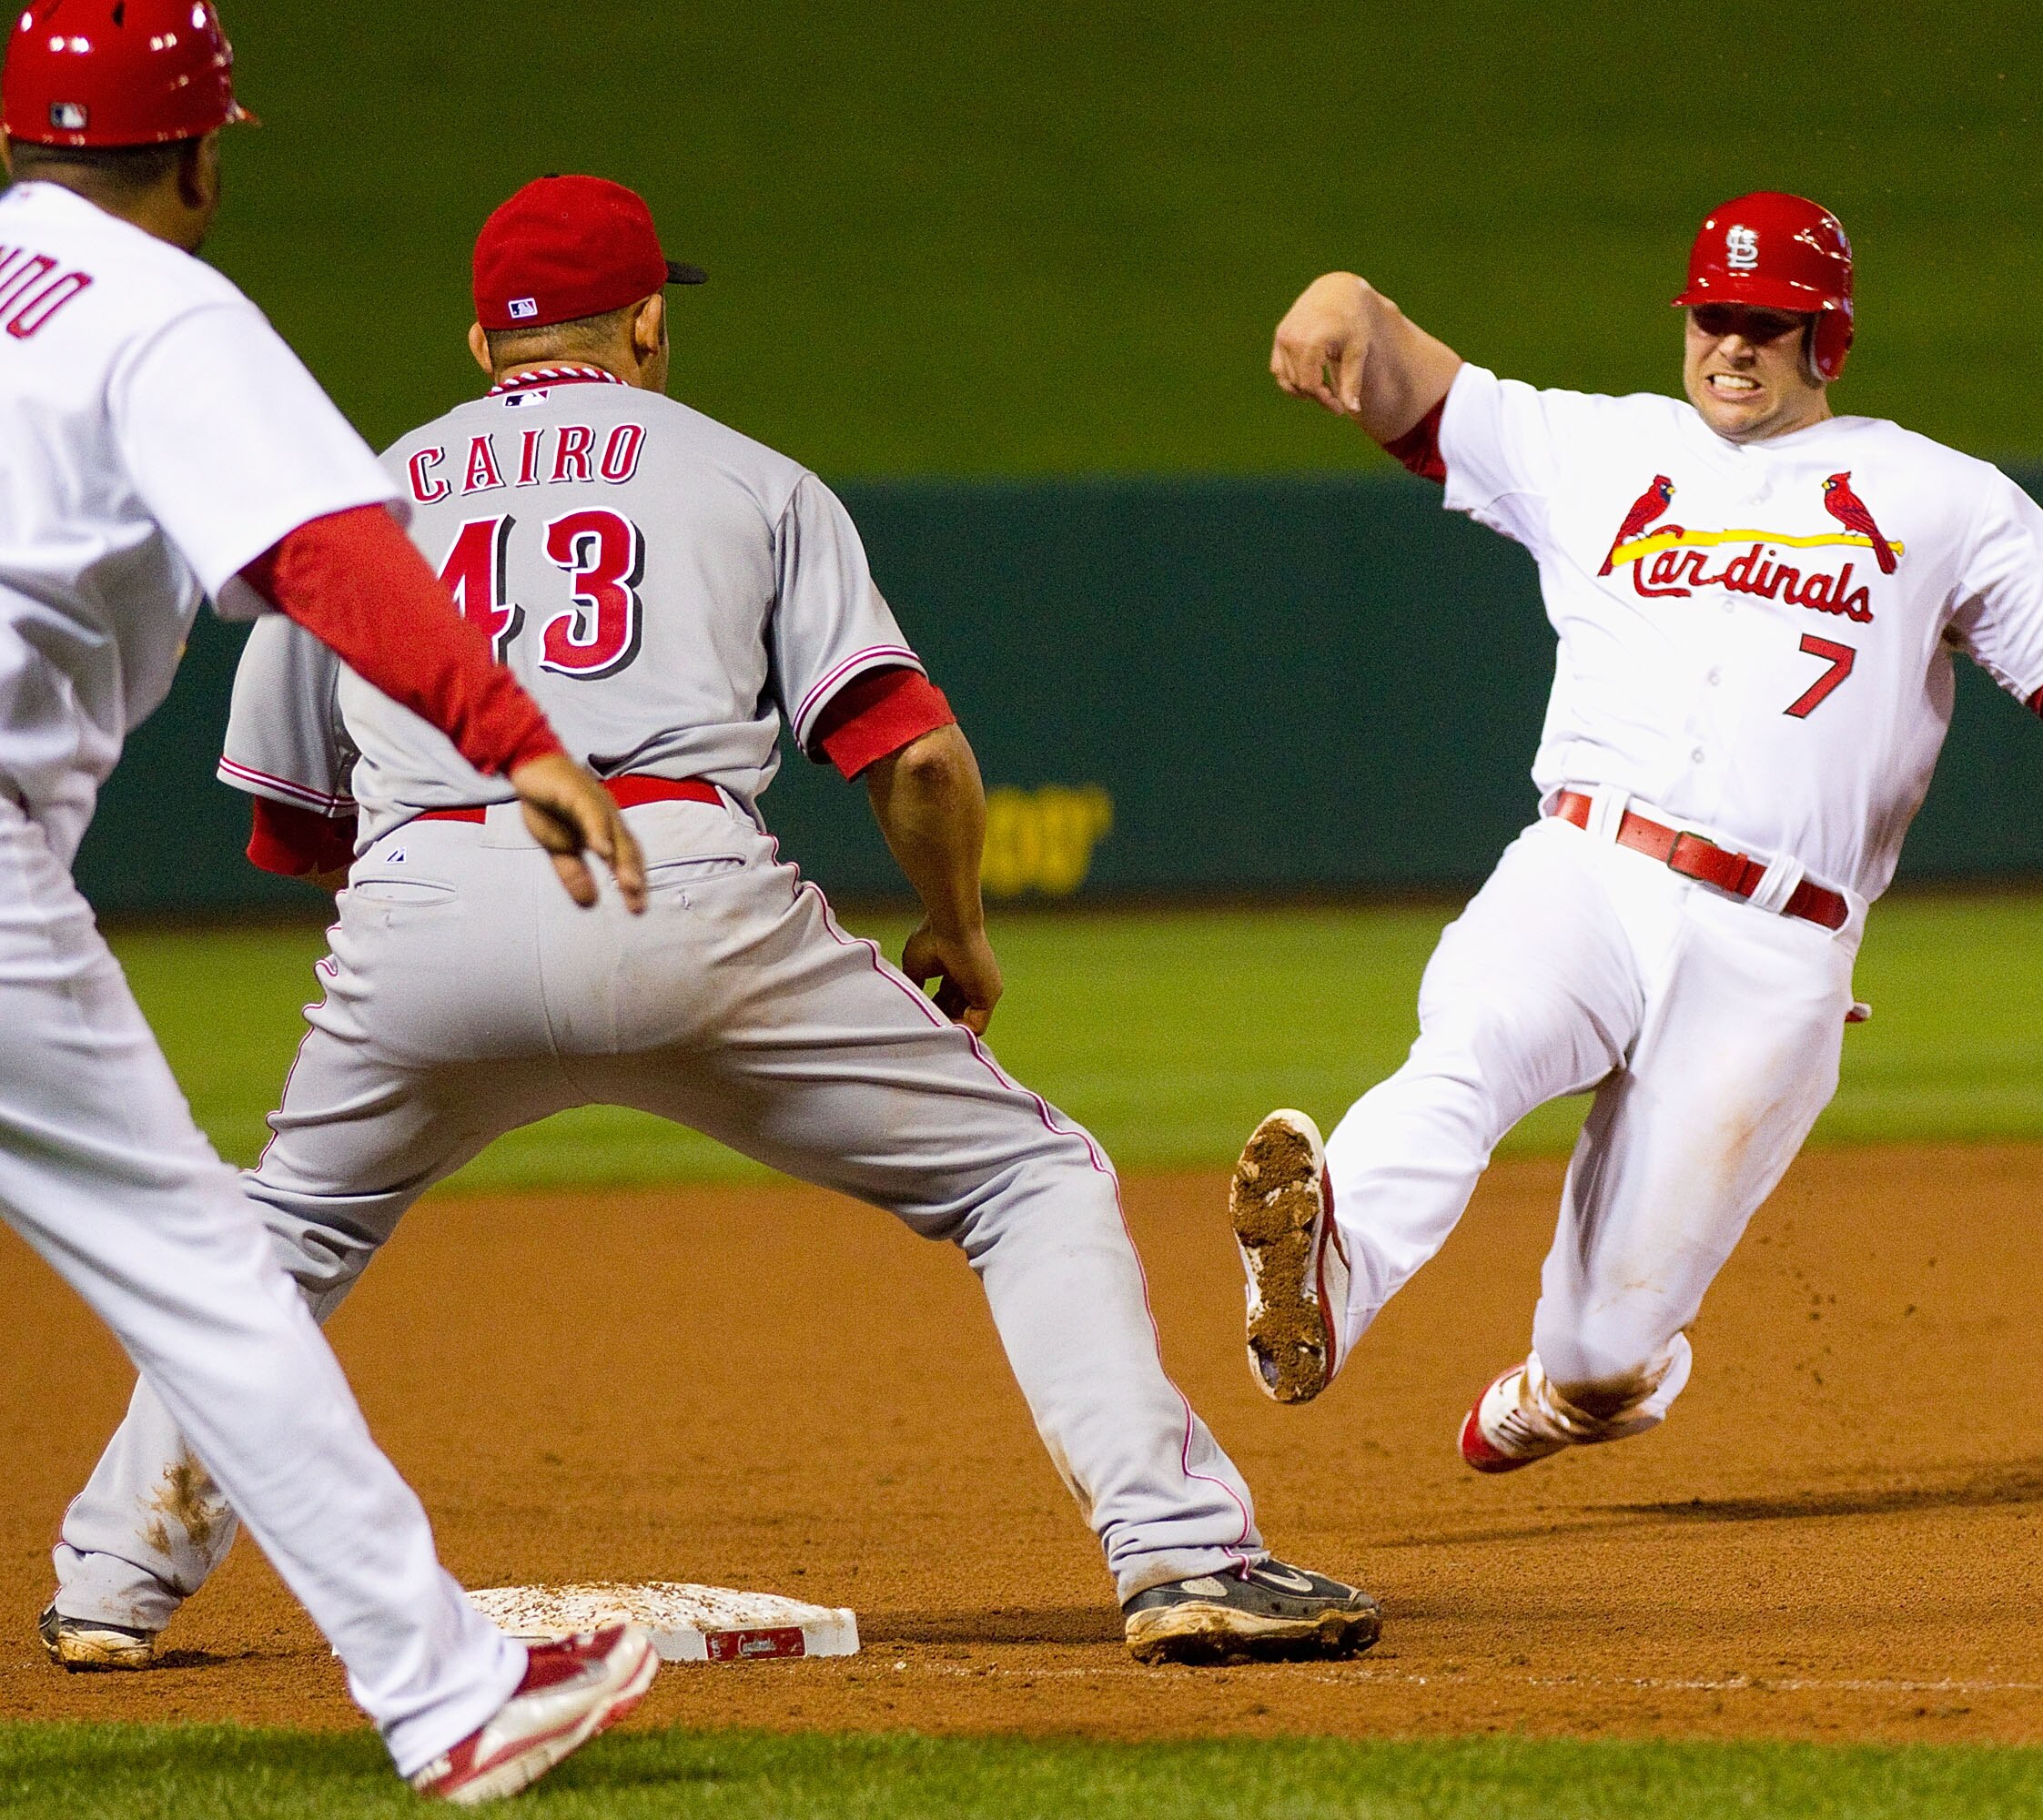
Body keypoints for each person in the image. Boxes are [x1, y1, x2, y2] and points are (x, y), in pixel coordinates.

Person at [44, 172, 1381, 1670]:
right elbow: (916, 757)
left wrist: (440, 954)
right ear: (649, 325)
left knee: (277, 1238)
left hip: (420, 902)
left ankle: (111, 1580)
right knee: (1032, 1183)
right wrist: (961, 930)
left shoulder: (356, 497)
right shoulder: (750, 478)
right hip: (678, 883)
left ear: (484, 343)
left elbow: (294, 824)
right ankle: (1183, 1556)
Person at [1233, 191, 2043, 1472]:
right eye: (1713, 316)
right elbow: (1405, 378)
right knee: (1469, 1047)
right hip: (1586, 867)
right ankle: (1327, 1267)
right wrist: (1346, 296)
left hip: (1777, 947)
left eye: (1768, 322)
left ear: (1830, 342)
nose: (1732, 345)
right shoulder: (1592, 447)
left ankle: (1569, 1387)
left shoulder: (1937, 494)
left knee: (1600, 1357)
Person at [2, 2, 661, 1799]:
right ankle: (448, 1689)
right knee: (216, 1275)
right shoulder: (161, 309)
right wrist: (511, 732)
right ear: (202, 156)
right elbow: (329, 548)